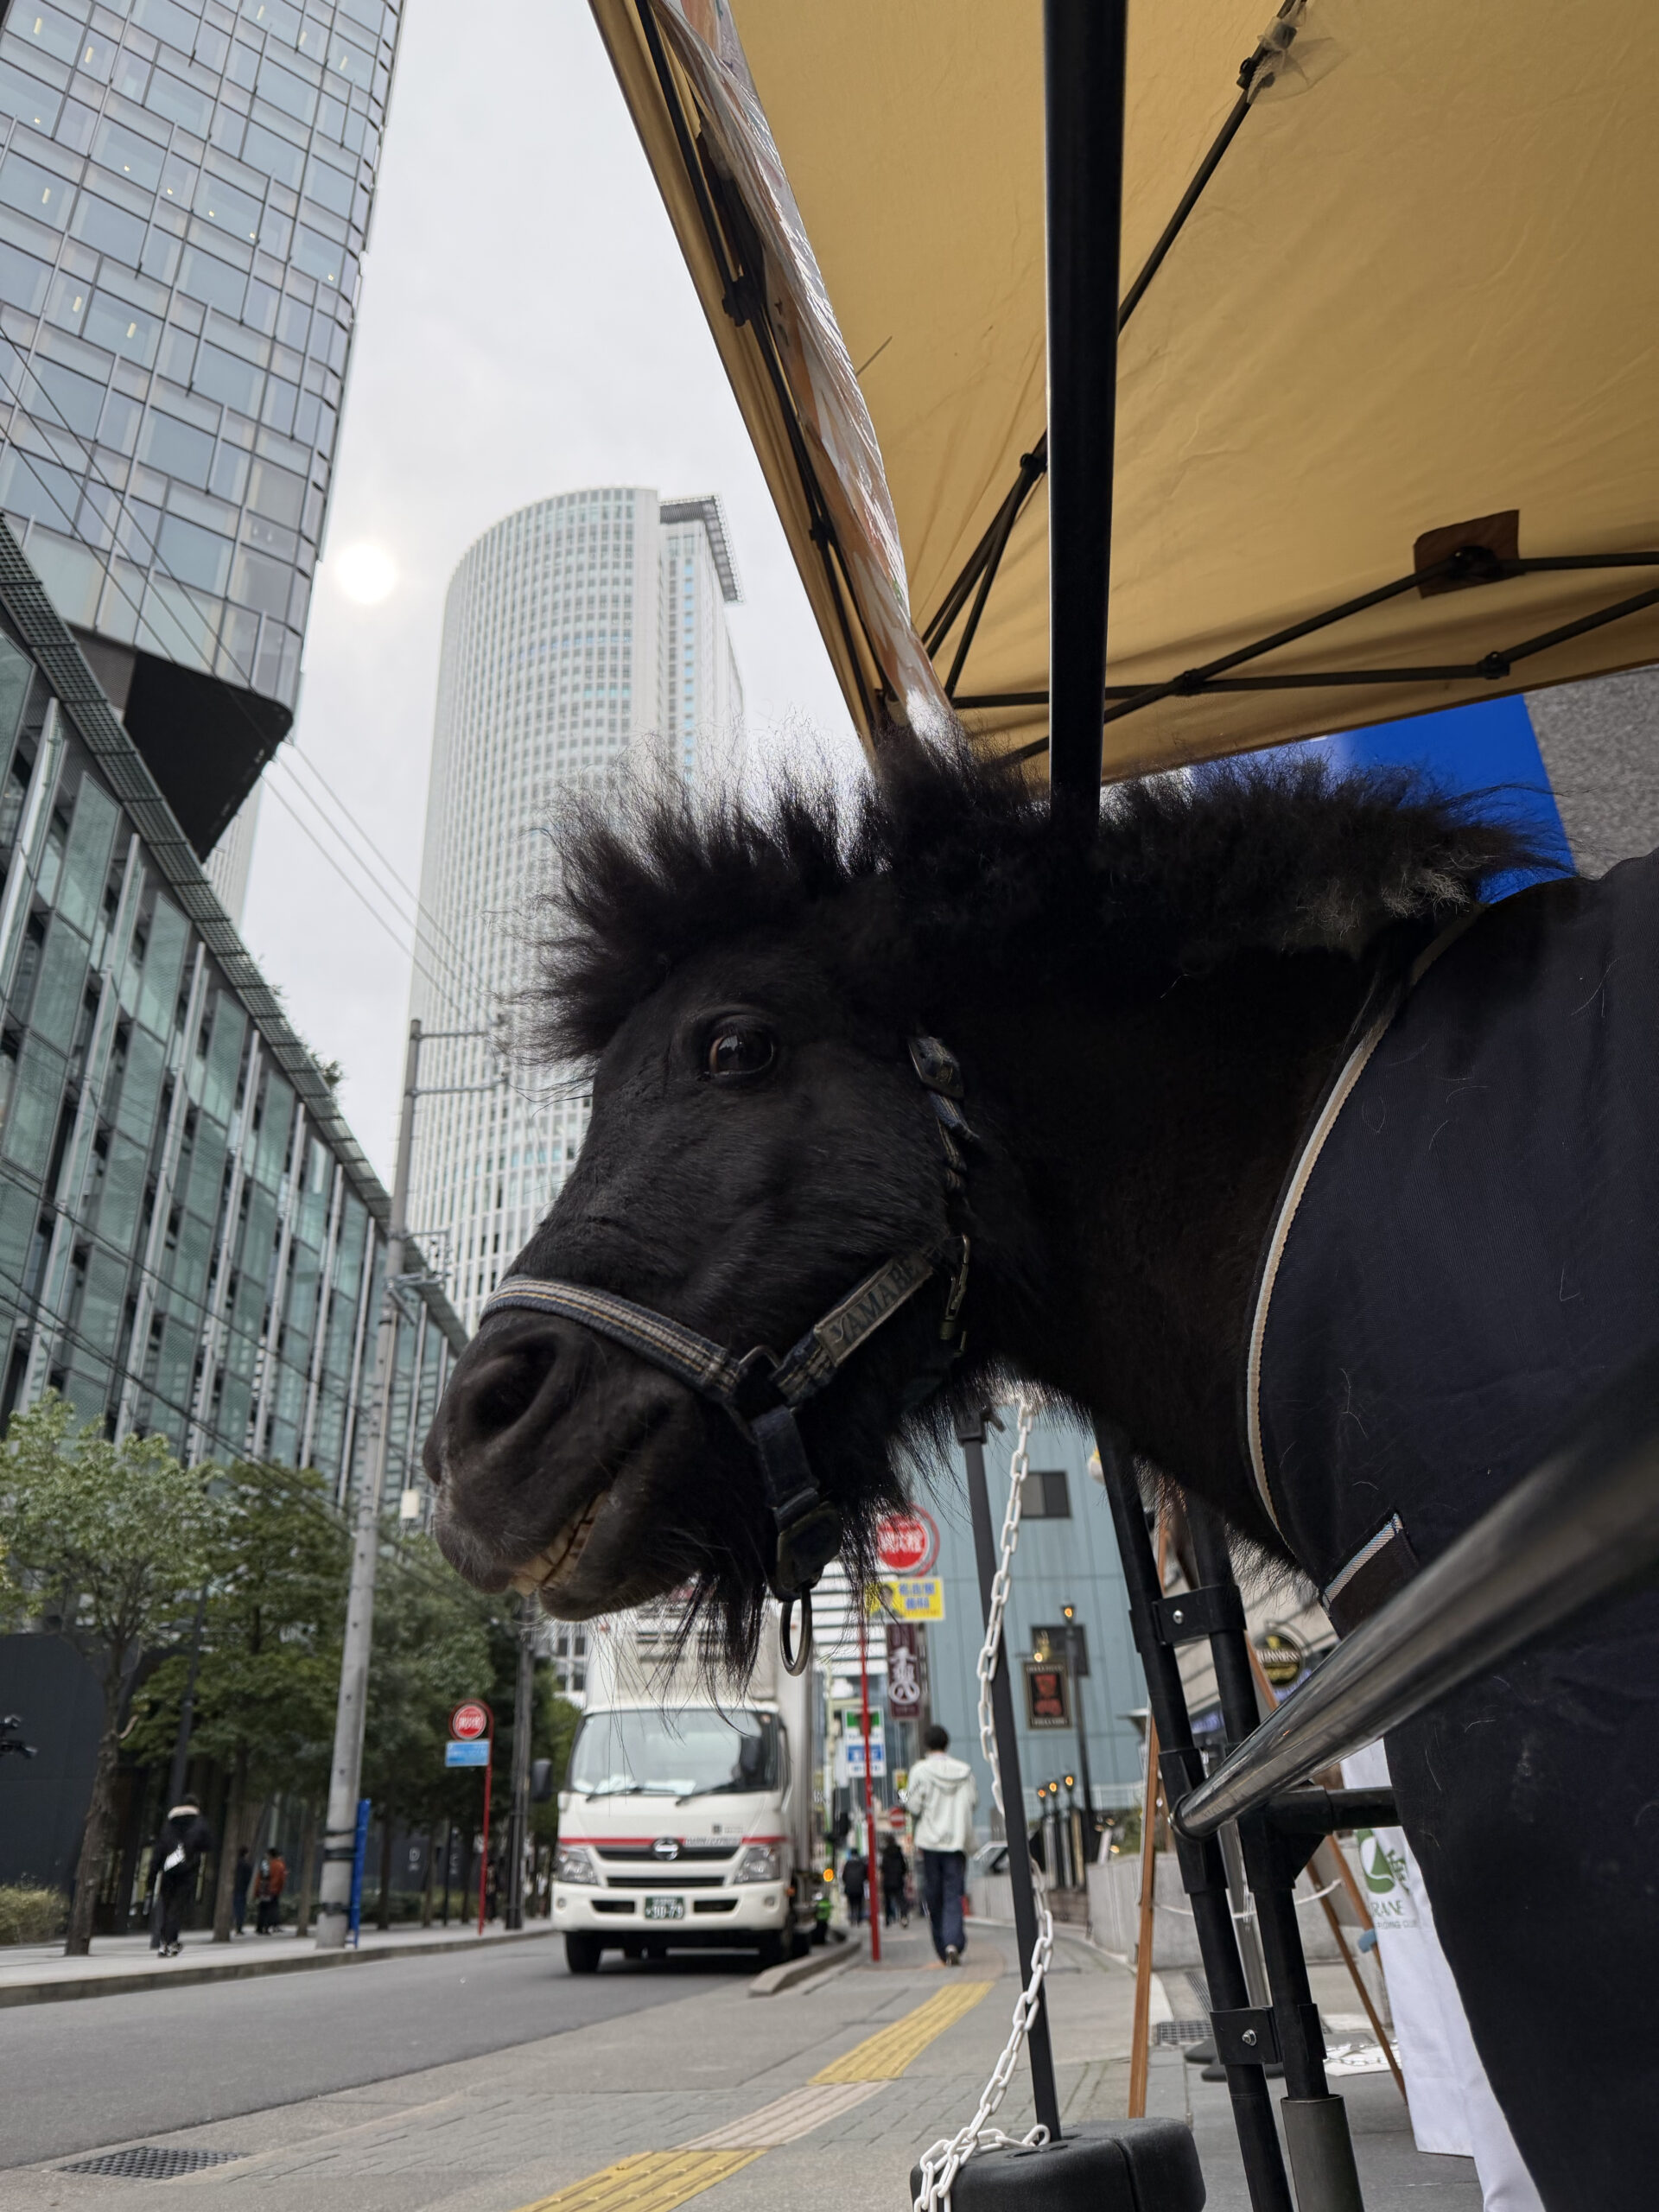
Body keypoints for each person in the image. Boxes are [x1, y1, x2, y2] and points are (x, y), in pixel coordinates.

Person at [902, 1723, 977, 1966]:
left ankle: (942, 1945)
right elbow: (973, 1801)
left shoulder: (920, 1771)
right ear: (947, 1743)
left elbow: (912, 1805)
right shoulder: (964, 1771)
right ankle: (953, 1941)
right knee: (954, 1894)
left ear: (926, 1744)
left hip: (930, 1844)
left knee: (934, 1896)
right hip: (956, 1843)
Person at [152, 1796, 213, 1957]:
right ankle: (171, 1942)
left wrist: (154, 1870)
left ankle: (163, 1943)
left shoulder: (169, 1824)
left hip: (168, 1869)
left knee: (167, 1906)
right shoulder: (200, 1823)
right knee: (177, 1909)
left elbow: (160, 1848)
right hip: (187, 1871)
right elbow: (208, 1844)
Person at [257, 1847, 288, 1935]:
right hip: (274, 1890)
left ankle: (260, 1927)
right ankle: (268, 1927)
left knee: (263, 1908)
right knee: (271, 1909)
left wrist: (258, 1890)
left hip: (265, 1890)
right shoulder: (280, 1865)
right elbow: (281, 1879)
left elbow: (260, 1877)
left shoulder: (266, 1864)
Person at [880, 1834, 909, 1927]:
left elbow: (883, 1867)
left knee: (888, 1900)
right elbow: (904, 1867)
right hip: (898, 1879)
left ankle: (888, 1919)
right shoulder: (899, 1853)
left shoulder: (885, 1853)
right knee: (901, 1899)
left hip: (888, 1880)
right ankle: (903, 1917)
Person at [841, 1846, 867, 1926]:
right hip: (859, 1886)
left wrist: (847, 1882)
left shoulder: (847, 1864)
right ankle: (858, 1919)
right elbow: (865, 1875)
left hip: (850, 1887)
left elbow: (844, 1876)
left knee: (851, 1903)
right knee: (859, 1903)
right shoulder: (862, 1863)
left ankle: (852, 1918)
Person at [232, 1846, 253, 1936]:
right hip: (242, 1889)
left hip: (236, 1888)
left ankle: (237, 1926)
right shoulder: (246, 1865)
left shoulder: (235, 1864)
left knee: (237, 1907)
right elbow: (248, 1877)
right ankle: (239, 1927)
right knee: (240, 1908)